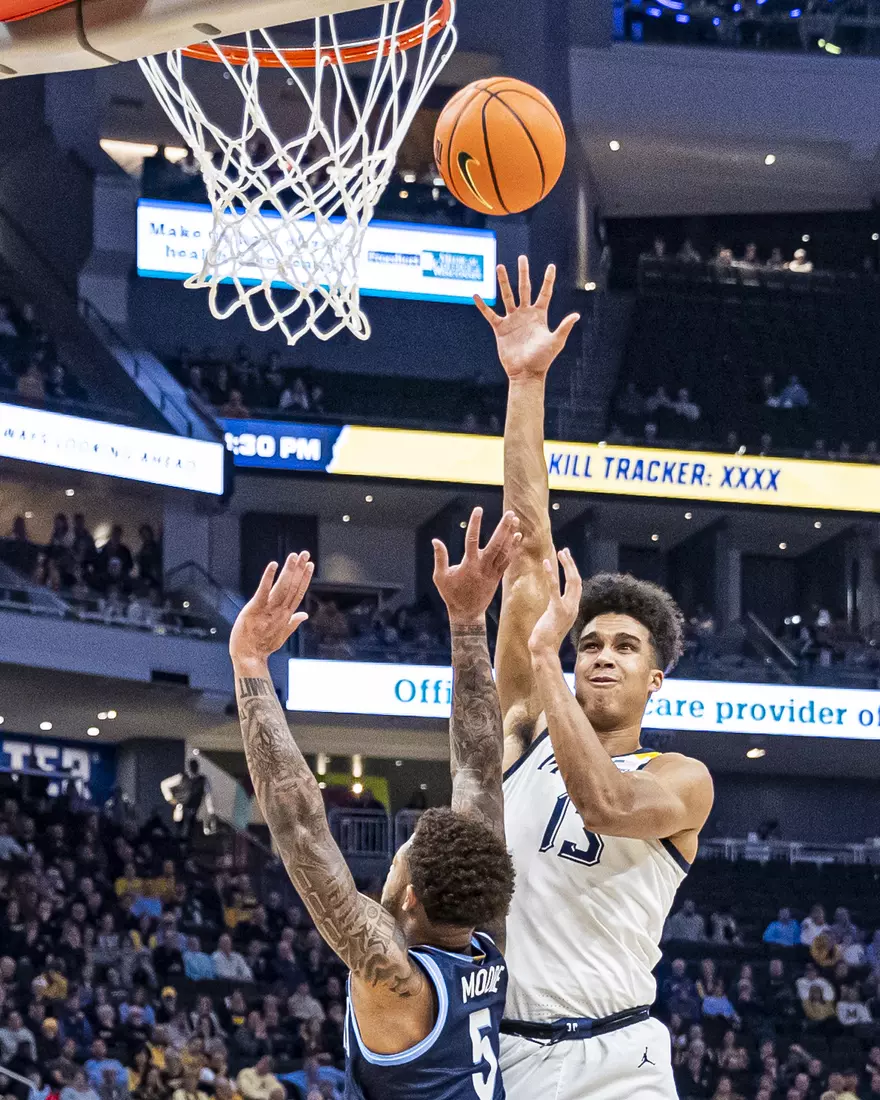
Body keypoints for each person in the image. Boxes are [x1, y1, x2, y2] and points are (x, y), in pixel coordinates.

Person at [475, 256, 714, 1100]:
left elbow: (606, 803)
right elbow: (528, 544)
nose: (601, 655)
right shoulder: (526, 732)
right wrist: (525, 383)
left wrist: (546, 659)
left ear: (657, 681)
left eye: (624, 648)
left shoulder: (681, 782)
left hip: (617, 1061)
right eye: (590, 643)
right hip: (505, 1054)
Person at [229, 509, 520, 1100]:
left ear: (409, 895)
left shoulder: (399, 982)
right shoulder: (486, 944)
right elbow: (479, 768)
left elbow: (301, 827)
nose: (391, 863)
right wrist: (467, 623)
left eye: (400, 857)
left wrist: (251, 666)